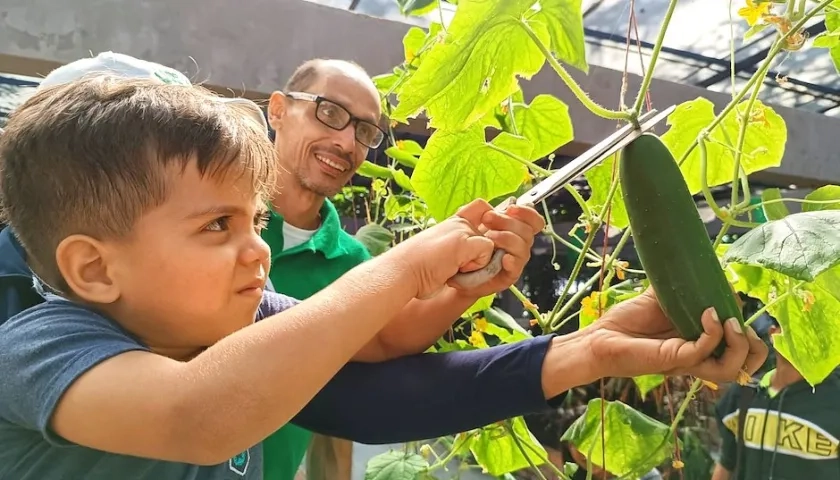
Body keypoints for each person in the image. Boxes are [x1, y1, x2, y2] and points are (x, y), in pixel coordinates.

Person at [0, 71, 765, 480]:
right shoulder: (37, 348)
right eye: (217, 227)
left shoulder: (235, 314)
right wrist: (416, 259)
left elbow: (382, 392)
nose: (258, 250)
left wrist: (598, 347)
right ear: (92, 270)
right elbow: (200, 418)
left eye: (254, 222)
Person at [261, 58, 548, 479]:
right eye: (331, 112)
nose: (346, 142)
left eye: (363, 131)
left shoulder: (352, 262)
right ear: (278, 110)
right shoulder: (217, 219)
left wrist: (472, 284)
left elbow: (386, 339)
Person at [711, 316, 840, 480]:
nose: (799, 337)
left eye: (809, 331)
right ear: (773, 334)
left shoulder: (835, 398)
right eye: (792, 328)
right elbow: (726, 463)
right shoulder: (744, 392)